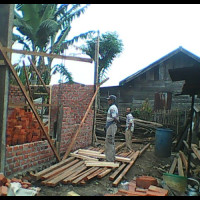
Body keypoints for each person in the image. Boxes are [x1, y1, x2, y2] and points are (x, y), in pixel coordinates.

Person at [105, 95, 119, 162]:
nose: (108, 101)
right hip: (111, 125)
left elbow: (114, 118)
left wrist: (115, 123)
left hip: (111, 126)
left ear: (112, 100)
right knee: (111, 142)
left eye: (109, 100)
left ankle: (109, 160)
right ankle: (112, 158)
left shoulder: (112, 108)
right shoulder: (113, 107)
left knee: (109, 142)